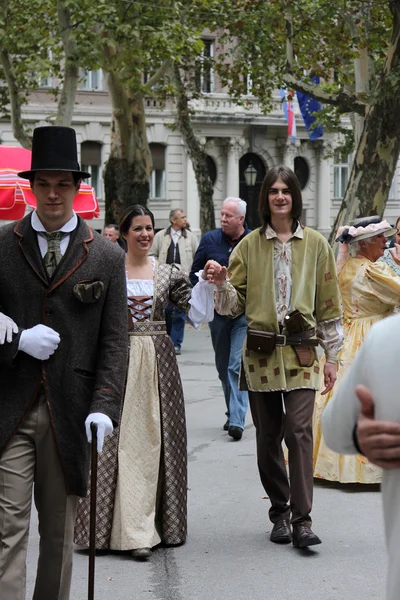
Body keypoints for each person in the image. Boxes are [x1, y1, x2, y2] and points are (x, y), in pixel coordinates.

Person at [0, 126, 128, 600]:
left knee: (58, 535)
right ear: (31, 187)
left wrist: (105, 406)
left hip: (71, 413)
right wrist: (12, 340)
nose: (53, 194)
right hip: (10, 409)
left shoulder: (108, 256)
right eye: (44, 184)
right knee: (7, 530)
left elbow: (115, 342)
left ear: (77, 187)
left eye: (63, 184)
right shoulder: (1, 243)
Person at [206, 165, 342, 547]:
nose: (280, 196)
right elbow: (233, 306)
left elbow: (329, 305)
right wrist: (221, 284)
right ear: (264, 198)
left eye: (286, 190)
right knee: (268, 436)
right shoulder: (249, 245)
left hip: (302, 353)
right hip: (261, 355)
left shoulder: (316, 244)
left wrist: (331, 357)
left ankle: (302, 520)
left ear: (295, 197)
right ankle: (279, 513)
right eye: (273, 191)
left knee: (298, 432)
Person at [74, 204, 214, 561]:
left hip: (157, 364)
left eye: (149, 227)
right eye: (137, 228)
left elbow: (195, 312)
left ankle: (146, 529)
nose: (145, 234)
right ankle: (108, 529)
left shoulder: (167, 272)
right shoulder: (109, 268)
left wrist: (210, 285)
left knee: (155, 442)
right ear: (123, 233)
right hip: (116, 359)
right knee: (116, 442)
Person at [313, 216, 400, 484]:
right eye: (380, 238)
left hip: (348, 337)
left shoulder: (346, 267)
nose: (386, 242)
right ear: (364, 243)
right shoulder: (374, 271)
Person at [321, 314, 400, 600]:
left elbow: (334, 429)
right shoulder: (387, 339)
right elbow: (335, 429)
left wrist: (357, 433)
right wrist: (361, 434)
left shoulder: (388, 337)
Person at [190, 197, 251, 441]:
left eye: (228, 215)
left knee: (236, 365)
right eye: (222, 214)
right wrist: (205, 276)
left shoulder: (253, 241)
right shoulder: (209, 240)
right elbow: (193, 276)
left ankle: (237, 419)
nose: (223, 219)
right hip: (218, 315)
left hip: (244, 314)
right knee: (222, 366)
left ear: (241, 220)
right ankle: (232, 411)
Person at [149, 208, 198, 355]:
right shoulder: (160, 236)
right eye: (182, 217)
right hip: (164, 278)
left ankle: (177, 343)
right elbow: (151, 255)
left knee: (180, 312)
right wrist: (157, 270)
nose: (185, 220)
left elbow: (197, 258)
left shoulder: (190, 237)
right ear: (173, 220)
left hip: (183, 280)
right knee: (166, 309)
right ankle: (168, 338)